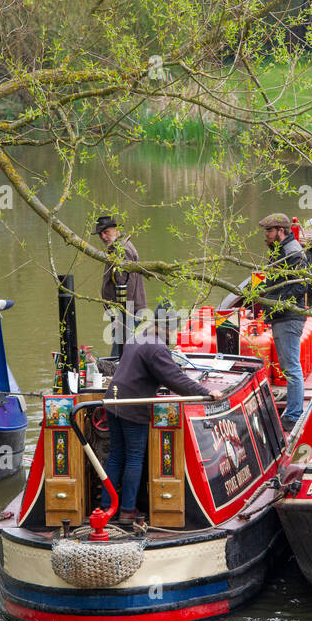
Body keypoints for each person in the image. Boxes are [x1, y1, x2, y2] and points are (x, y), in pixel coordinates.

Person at [102, 339, 222, 522]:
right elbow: (175, 379)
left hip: (112, 400)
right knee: (134, 457)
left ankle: (106, 507)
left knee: (116, 455)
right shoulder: (157, 347)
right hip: (133, 406)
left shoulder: (137, 338)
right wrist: (205, 392)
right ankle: (127, 510)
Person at [258, 212, 308, 432]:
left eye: (269, 231)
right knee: (290, 367)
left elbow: (301, 285)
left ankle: (294, 415)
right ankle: (293, 411)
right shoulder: (281, 250)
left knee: (291, 368)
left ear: (280, 231)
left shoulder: (292, 252)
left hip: (288, 317)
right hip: (282, 316)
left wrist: (276, 303)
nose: (266, 235)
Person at [95, 215, 147, 357]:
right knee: (122, 351)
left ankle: (118, 377)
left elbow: (126, 286)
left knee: (123, 353)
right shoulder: (117, 247)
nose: (103, 236)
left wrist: (120, 316)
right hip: (126, 312)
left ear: (116, 229)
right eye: (100, 234)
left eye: (106, 232)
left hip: (128, 313)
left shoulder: (122, 250)